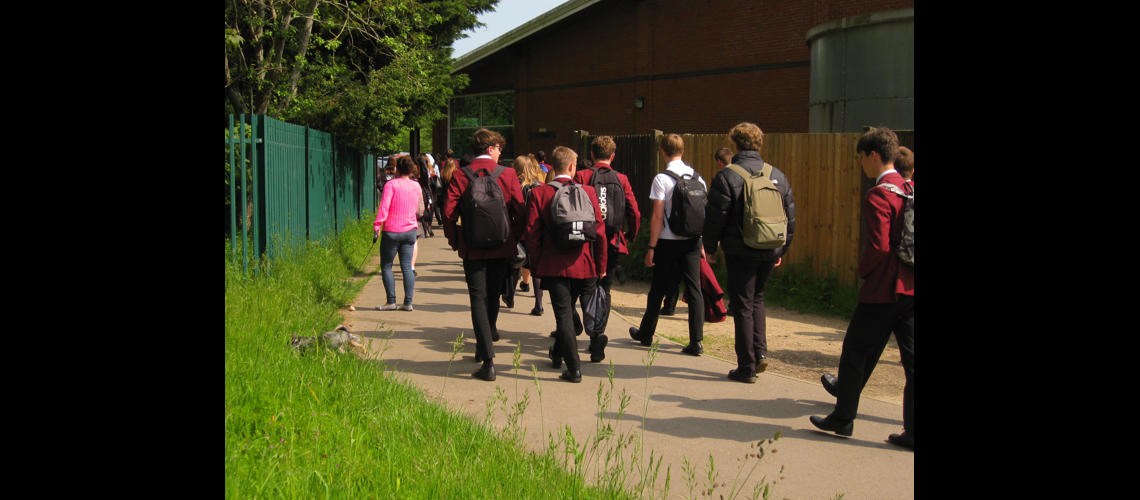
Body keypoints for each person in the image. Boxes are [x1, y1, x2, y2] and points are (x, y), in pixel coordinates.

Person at [809, 126, 914, 451]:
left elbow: (879, 247)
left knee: (855, 351)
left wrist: (863, 271)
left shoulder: (880, 194)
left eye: (860, 159)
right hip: (912, 286)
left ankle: (843, 417)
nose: (860, 165)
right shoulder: (910, 188)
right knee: (912, 363)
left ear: (872, 155)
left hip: (883, 289)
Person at [702, 122, 796, 383]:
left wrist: (709, 249)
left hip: (740, 250)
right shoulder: (777, 174)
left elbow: (714, 218)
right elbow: (790, 216)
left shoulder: (728, 176)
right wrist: (782, 249)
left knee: (742, 304)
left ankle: (747, 366)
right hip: (769, 246)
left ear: (735, 144)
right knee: (758, 300)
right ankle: (760, 351)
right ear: (759, 143)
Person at [443, 128, 526, 382]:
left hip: (473, 246)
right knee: (493, 297)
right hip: (501, 245)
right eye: (499, 148)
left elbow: (448, 212)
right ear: (490, 148)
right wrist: (514, 237)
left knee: (477, 298)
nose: (501, 153)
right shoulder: (508, 174)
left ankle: (486, 356)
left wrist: (456, 241)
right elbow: (521, 211)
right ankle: (485, 347)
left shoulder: (461, 174)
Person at [524, 146, 607, 383]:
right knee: (569, 311)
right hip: (584, 262)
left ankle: (573, 368)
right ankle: (559, 353)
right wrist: (601, 264)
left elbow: (531, 234)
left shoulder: (540, 194)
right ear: (572, 166)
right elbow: (599, 232)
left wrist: (537, 262)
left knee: (563, 313)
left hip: (554, 263)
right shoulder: (589, 192)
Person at [628, 133, 706, 355]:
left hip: (668, 241)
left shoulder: (662, 179)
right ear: (683, 151)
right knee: (694, 290)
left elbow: (658, 216)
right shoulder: (698, 178)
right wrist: (702, 243)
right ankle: (696, 341)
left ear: (663, 151)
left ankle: (646, 333)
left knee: (658, 289)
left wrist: (651, 247)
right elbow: (703, 213)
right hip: (692, 241)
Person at [572, 135, 641, 362]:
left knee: (582, 286)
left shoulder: (582, 175)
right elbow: (634, 211)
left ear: (592, 155)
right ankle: (597, 335)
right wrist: (631, 234)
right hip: (612, 240)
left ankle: (574, 322)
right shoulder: (621, 178)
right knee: (604, 290)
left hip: (586, 241)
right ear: (613, 156)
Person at [661, 147, 734, 315]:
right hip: (704, 234)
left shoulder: (722, 179)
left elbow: (714, 212)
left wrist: (710, 243)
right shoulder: (701, 180)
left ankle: (669, 304)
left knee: (675, 272)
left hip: (677, 232)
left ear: (719, 162)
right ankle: (722, 306)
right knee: (696, 277)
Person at [372, 156, 422, 311]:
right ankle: (408, 302)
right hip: (410, 230)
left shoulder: (391, 185)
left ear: (396, 169)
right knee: (407, 267)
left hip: (392, 231)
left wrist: (377, 225)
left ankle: (391, 301)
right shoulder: (416, 186)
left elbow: (384, 207)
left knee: (386, 265)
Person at [513, 155, 547, 315]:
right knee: (535, 267)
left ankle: (509, 295)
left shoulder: (518, 186)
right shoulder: (540, 185)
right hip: (538, 229)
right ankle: (539, 303)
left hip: (522, 230)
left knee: (516, 263)